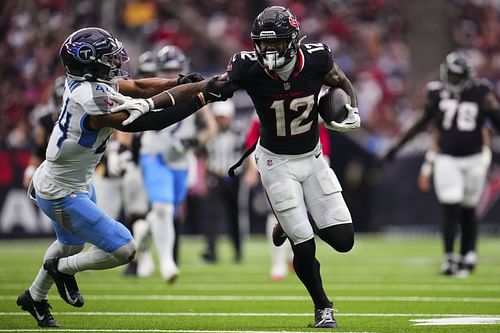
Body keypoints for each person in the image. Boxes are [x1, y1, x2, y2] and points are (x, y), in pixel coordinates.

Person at [16, 27, 232, 328]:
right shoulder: (90, 98)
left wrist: (181, 82)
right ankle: (62, 270)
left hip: (73, 180)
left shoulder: (87, 84)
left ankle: (35, 298)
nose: (114, 62)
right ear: (90, 63)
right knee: (124, 249)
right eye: (107, 57)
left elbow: (141, 87)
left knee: (69, 244)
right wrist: (200, 98)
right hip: (62, 190)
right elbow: (149, 120)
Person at [224, 6, 360, 328]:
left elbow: (341, 81)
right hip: (276, 162)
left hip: (312, 158)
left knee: (343, 240)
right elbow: (219, 86)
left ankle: (290, 221)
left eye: (276, 43)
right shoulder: (248, 68)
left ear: (294, 40)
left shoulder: (316, 59)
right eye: (263, 44)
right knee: (303, 240)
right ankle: (322, 306)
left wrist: (352, 107)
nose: (268, 51)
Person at [384, 52, 500, 277]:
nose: (454, 81)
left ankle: (468, 255)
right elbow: (420, 123)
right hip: (447, 157)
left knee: (468, 207)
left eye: (458, 77)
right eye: (451, 76)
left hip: (475, 157)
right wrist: (397, 146)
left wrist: (492, 109)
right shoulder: (436, 93)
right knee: (450, 205)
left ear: (467, 76)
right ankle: (449, 257)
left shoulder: (481, 92)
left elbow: (496, 120)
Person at [135, 45, 217, 281]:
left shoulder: (194, 92)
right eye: (168, 69)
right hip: (154, 155)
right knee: (163, 208)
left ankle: (144, 231)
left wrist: (193, 141)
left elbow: (210, 127)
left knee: (167, 213)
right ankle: (167, 263)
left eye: (177, 68)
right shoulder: (150, 90)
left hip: (181, 161)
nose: (173, 73)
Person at [243, 115, 332, 281]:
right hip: (276, 163)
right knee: (277, 213)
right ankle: (278, 263)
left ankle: (294, 255)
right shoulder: (266, 92)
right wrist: (253, 165)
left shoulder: (309, 92)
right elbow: (254, 133)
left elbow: (321, 131)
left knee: (302, 212)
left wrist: (323, 161)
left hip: (306, 161)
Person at [201, 100, 245, 263]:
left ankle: (238, 251)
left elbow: (246, 156)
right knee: (212, 216)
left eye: (224, 117)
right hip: (215, 177)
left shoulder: (238, 133)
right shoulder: (210, 134)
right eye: (219, 117)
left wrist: (249, 174)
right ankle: (211, 251)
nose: (221, 120)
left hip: (233, 178)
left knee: (234, 216)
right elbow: (205, 157)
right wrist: (204, 180)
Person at [23, 76, 66, 189]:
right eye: (60, 99)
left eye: (65, 99)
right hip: (54, 174)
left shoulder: (82, 121)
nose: (62, 103)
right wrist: (30, 170)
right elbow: (39, 150)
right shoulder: (46, 121)